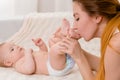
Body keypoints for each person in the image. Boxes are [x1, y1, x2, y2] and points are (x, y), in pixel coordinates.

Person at [54, 0, 120, 80]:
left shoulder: (115, 43)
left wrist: (79, 58)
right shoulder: (114, 35)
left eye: (77, 18)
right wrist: (74, 50)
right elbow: (109, 67)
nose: (74, 26)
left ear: (97, 17)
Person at [0, 19, 75, 76]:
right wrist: (28, 54)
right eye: (12, 49)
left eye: (15, 45)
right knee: (54, 50)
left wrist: (41, 46)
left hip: (57, 61)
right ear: (8, 62)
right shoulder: (18, 64)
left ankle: (63, 34)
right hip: (55, 68)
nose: (16, 47)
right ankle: (64, 37)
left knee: (51, 41)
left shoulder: (28, 55)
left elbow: (44, 53)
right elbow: (29, 69)